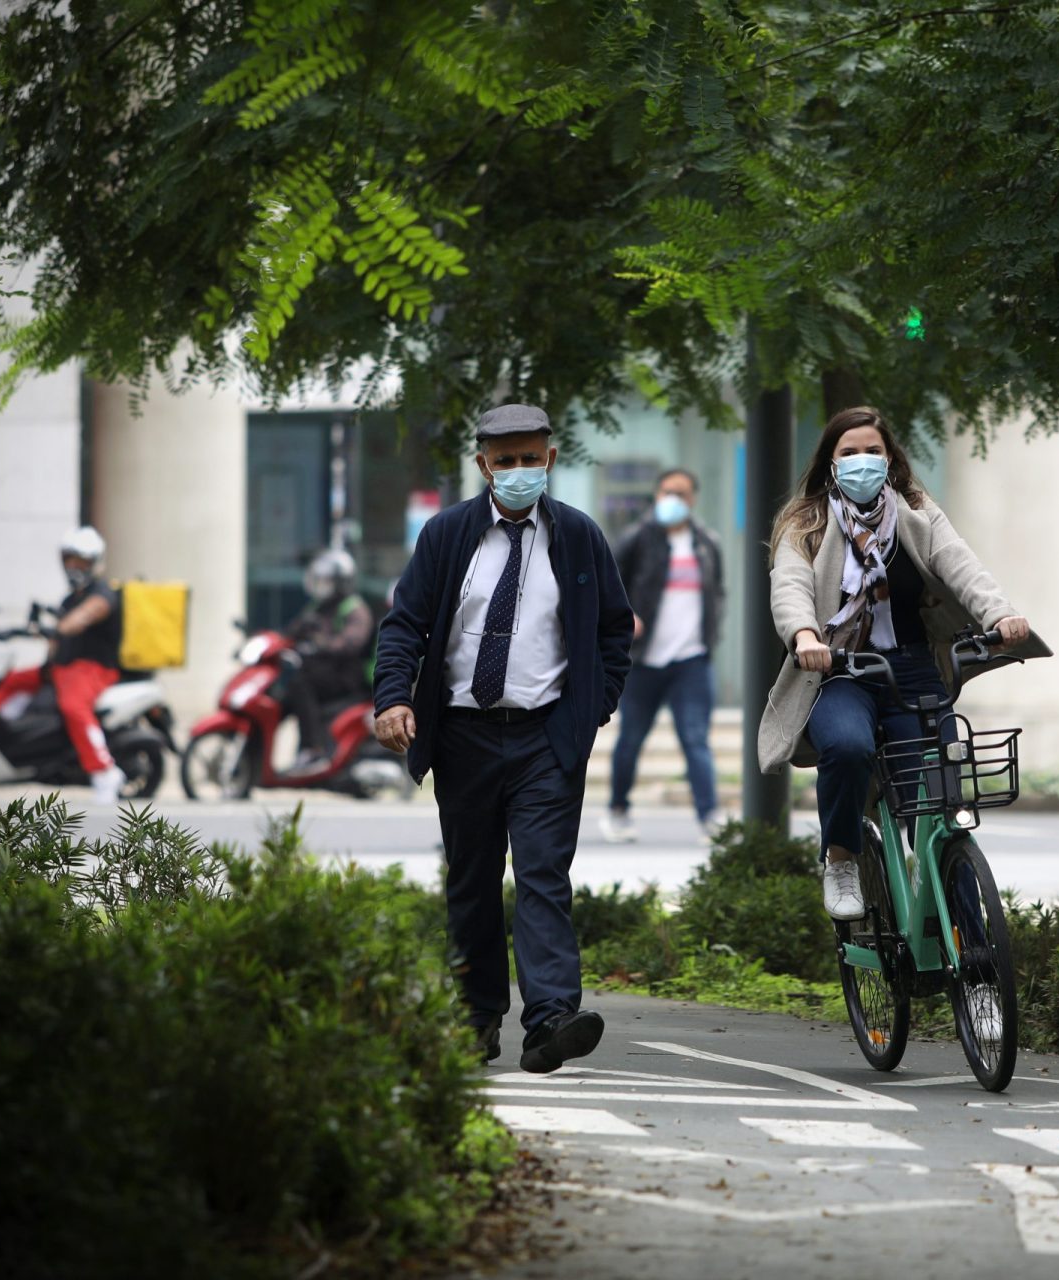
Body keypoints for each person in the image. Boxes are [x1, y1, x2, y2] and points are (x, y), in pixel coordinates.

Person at [372, 404, 633, 1069]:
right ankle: (476, 1019)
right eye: (505, 460)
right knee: (473, 880)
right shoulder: (447, 535)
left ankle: (550, 1022)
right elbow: (405, 626)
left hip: (546, 735)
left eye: (530, 458)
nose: (519, 471)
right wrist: (394, 697)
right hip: (463, 733)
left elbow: (613, 631)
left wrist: (591, 710)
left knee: (544, 875)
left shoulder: (578, 537)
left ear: (550, 460)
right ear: (484, 464)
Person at [757, 406, 1048, 919]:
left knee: (941, 806)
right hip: (840, 672)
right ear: (830, 462)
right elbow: (791, 586)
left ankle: (969, 947)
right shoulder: (806, 521)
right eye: (850, 453)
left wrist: (1000, 613)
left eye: (873, 451)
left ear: (890, 458)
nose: (863, 462)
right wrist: (804, 634)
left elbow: (961, 564)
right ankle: (843, 858)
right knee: (847, 748)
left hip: (913, 669)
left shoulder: (916, 510)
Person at [602, 468, 727, 842]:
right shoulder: (638, 537)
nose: (673, 499)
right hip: (643, 661)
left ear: (693, 500)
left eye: (682, 494)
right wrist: (626, 616)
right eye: (667, 492)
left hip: (691, 660)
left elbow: (717, 593)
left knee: (695, 739)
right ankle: (618, 809)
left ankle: (710, 817)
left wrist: (709, 640)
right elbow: (606, 577)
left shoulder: (706, 542)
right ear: (656, 496)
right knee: (631, 739)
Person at [0, 526, 127, 803]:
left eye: (81, 561)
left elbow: (83, 617)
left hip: (93, 670)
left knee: (73, 706)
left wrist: (59, 628)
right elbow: (56, 639)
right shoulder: (69, 598)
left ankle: (105, 771)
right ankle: (8, 741)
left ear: (94, 562)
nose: (75, 566)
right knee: (9, 681)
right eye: (70, 559)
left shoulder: (103, 593)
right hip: (60, 669)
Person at [284, 547, 375, 772]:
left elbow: (351, 643)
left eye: (325, 580)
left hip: (346, 677)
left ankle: (313, 750)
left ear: (340, 581)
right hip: (324, 673)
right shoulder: (319, 607)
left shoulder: (355, 609)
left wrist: (320, 643)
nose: (320, 585)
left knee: (300, 683)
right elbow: (292, 631)